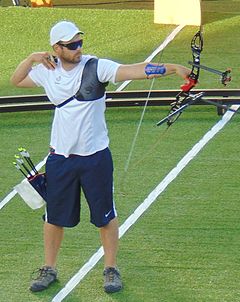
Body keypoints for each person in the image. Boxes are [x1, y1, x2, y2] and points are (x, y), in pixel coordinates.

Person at [10, 20, 191, 294]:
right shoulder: (47, 71)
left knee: (105, 215)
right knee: (53, 217)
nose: (78, 48)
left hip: (95, 157)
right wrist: (32, 58)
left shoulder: (96, 66)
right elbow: (17, 80)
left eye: (79, 42)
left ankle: (110, 268)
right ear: (56, 48)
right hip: (60, 158)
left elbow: (135, 70)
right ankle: (49, 268)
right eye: (71, 45)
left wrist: (173, 68)